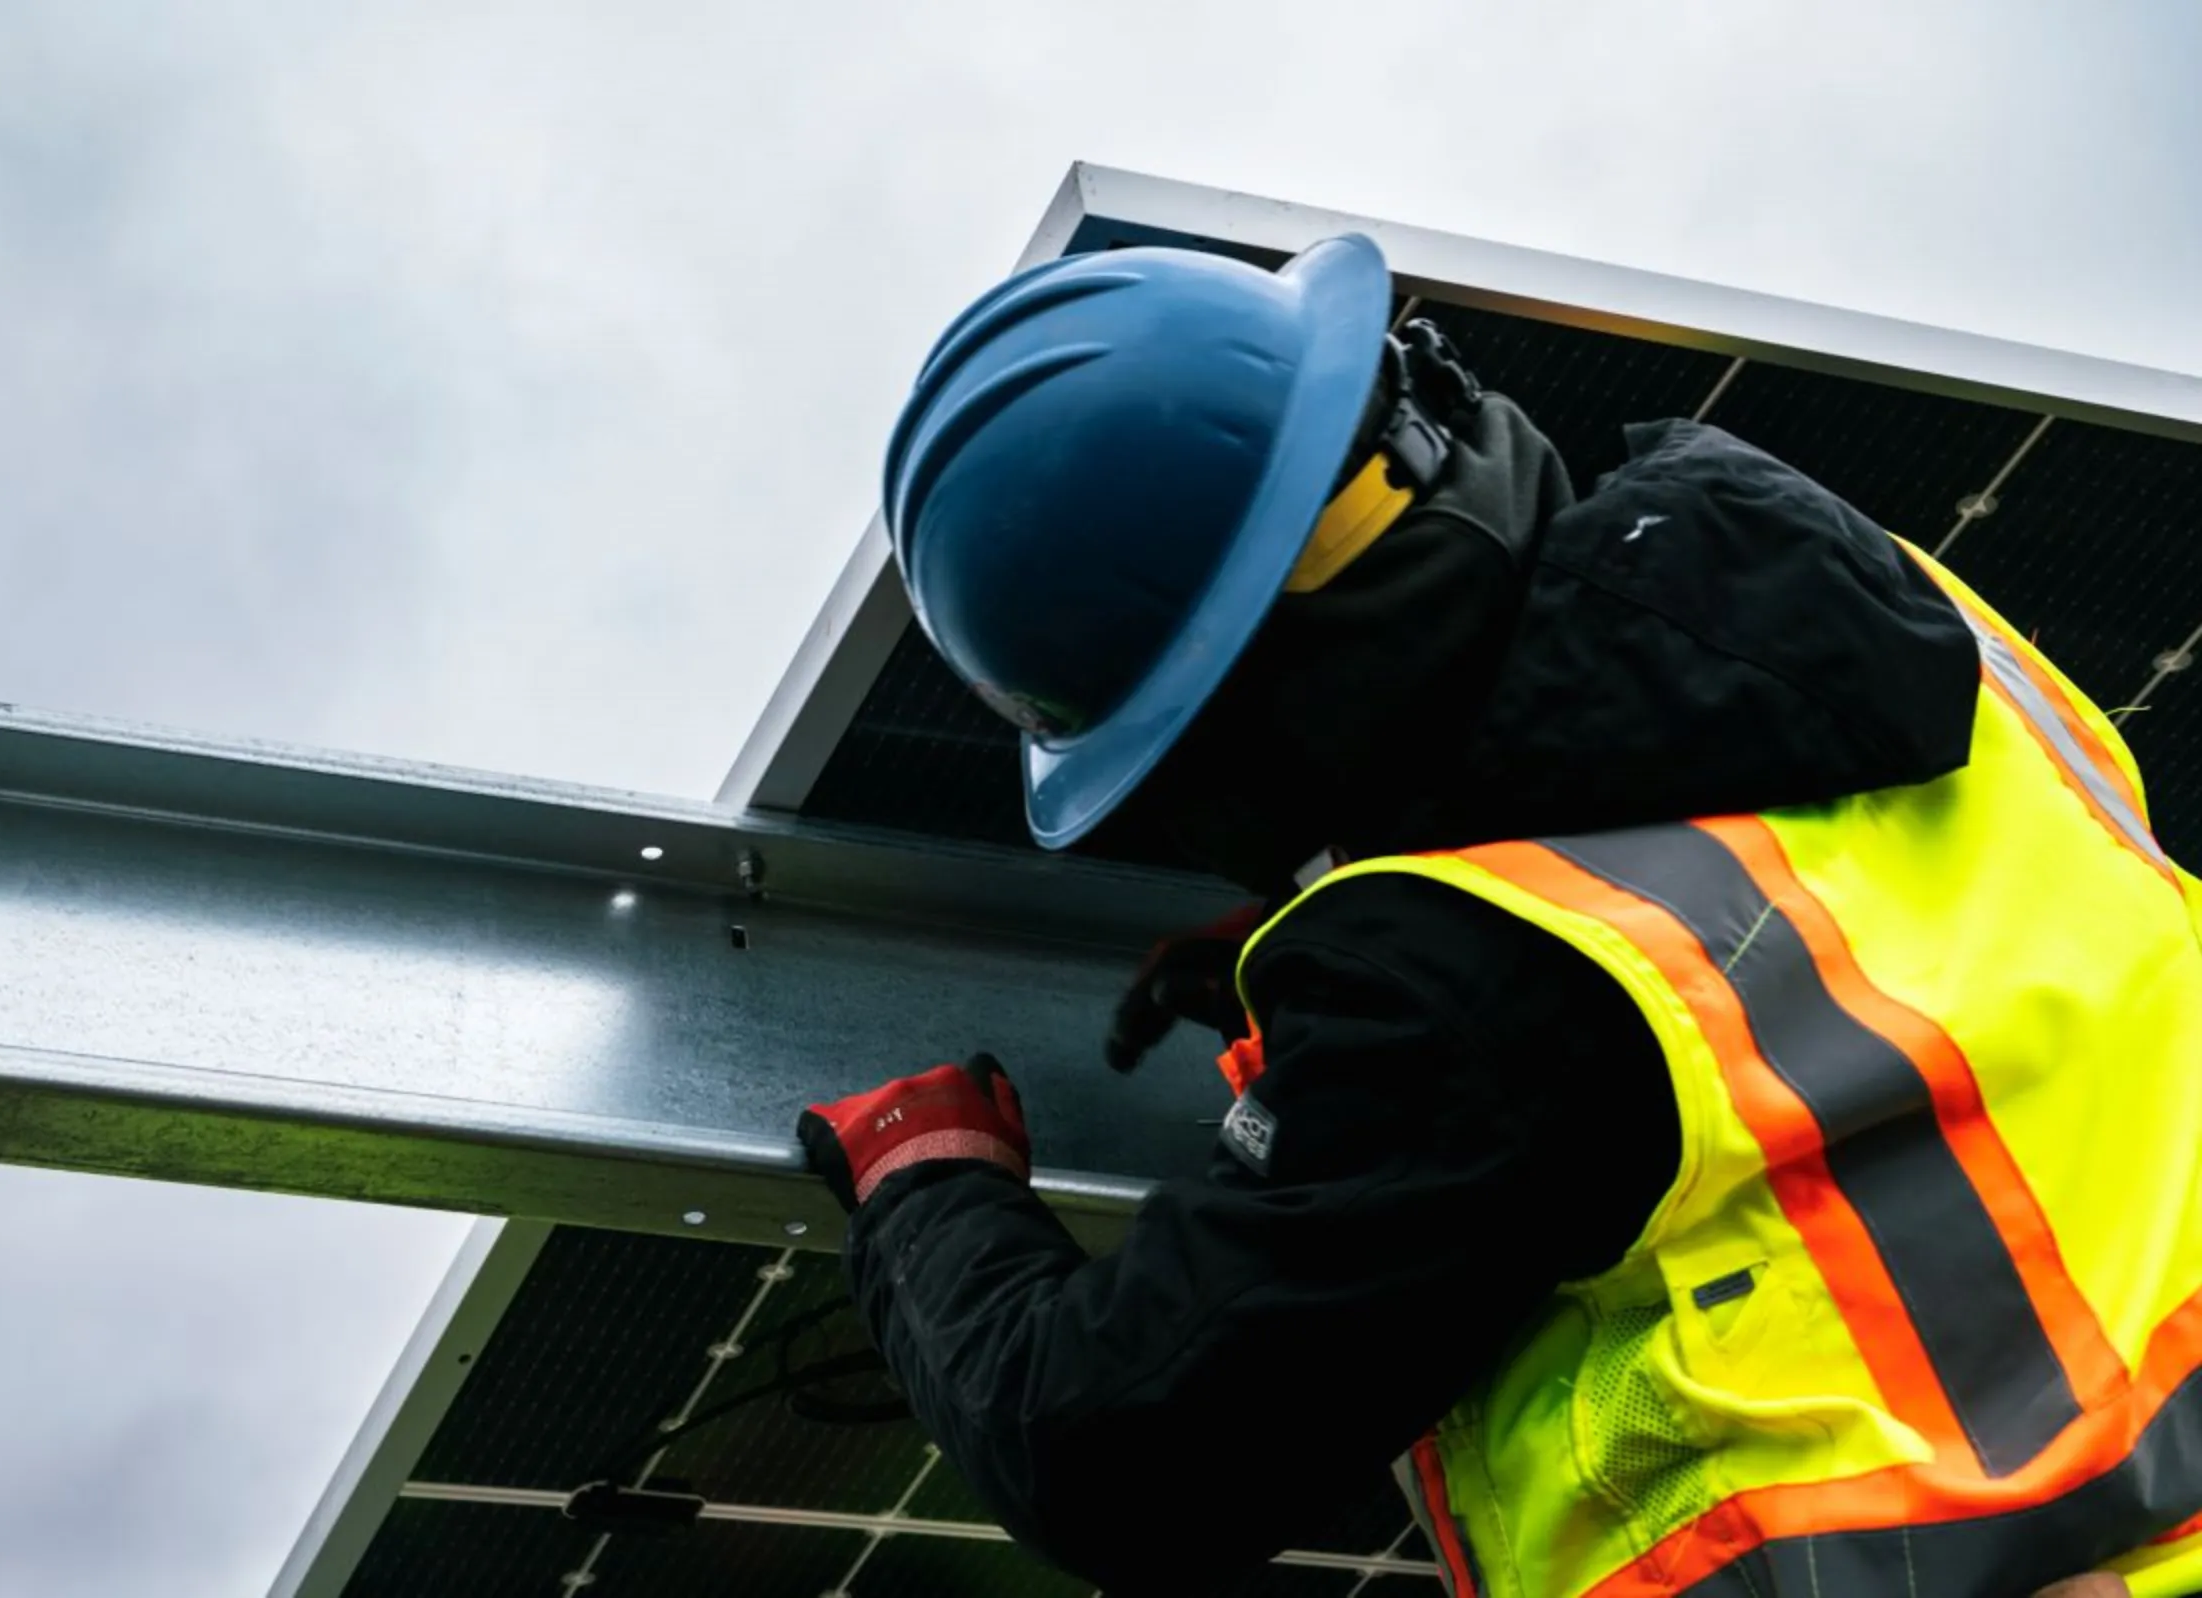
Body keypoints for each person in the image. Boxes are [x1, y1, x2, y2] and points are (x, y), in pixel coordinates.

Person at [795, 237, 2202, 1598]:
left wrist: (928, 1195)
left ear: (1236, 727)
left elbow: (1113, 1451)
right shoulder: (1894, 610)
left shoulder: (1473, 988)